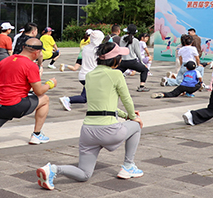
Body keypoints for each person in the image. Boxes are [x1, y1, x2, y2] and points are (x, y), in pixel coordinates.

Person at [37, 41, 144, 190]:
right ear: (114, 59)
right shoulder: (116, 74)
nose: (121, 60)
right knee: (136, 126)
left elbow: (102, 106)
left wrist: (125, 115)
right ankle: (128, 166)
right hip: (108, 130)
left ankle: (53, 169)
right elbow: (126, 99)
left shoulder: (90, 75)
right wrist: (133, 117)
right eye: (119, 56)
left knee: (84, 174)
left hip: (88, 131)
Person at [59, 30, 105, 111]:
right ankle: (67, 99)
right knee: (84, 98)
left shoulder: (85, 48)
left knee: (96, 92)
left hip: (83, 75)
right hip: (92, 76)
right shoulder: (98, 50)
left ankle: (98, 107)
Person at [117, 25, 149, 92]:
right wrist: (142, 62)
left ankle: (114, 86)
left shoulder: (122, 38)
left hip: (123, 61)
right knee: (144, 70)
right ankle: (142, 86)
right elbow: (138, 53)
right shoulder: (135, 40)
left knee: (116, 73)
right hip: (132, 61)